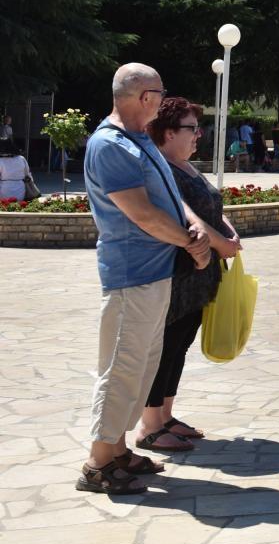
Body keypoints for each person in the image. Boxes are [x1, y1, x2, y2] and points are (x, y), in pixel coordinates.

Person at [79, 64, 211, 495]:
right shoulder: (111, 144)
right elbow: (141, 213)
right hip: (131, 276)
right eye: (159, 91)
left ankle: (117, 450)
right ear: (144, 97)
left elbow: (166, 201)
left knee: (139, 369)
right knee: (121, 370)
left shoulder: (139, 139)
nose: (162, 98)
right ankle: (98, 464)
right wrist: (190, 243)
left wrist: (191, 233)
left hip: (153, 276)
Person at [134, 98, 241, 454]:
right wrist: (221, 244)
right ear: (167, 133)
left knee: (180, 343)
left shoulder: (186, 166)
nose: (198, 135)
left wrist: (228, 232)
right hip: (179, 270)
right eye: (191, 128)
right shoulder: (164, 170)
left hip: (201, 273)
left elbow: (210, 207)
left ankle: (165, 415)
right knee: (164, 346)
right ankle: (149, 425)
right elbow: (186, 218)